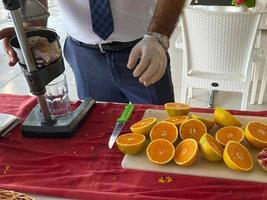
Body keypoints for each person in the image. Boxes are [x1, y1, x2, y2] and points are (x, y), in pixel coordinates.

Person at [0, 0, 185, 104]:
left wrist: (158, 36)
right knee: (98, 132)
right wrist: (31, 28)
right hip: (84, 56)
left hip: (144, 50)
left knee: (158, 128)